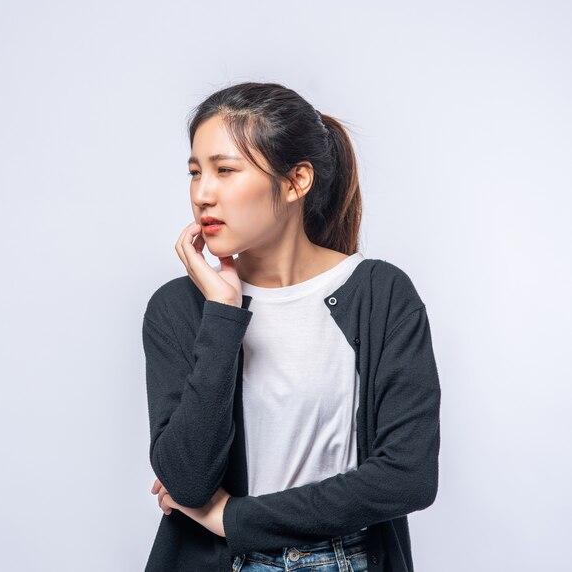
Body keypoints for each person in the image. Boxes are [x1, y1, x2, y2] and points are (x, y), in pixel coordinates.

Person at [143, 82, 441, 571]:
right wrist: (223, 313)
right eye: (195, 172)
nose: (203, 193)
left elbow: (406, 477)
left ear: (296, 181)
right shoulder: (181, 308)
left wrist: (233, 517)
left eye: (225, 170)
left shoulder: (380, 294)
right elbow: (188, 480)